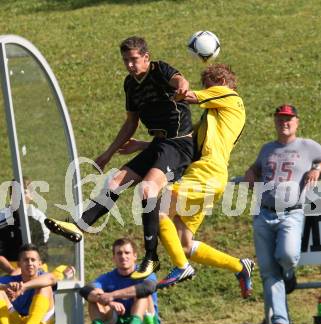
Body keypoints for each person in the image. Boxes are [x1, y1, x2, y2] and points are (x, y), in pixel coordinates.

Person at [45, 36, 194, 279]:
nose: (130, 65)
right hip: (158, 144)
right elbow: (131, 122)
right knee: (115, 182)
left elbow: (179, 79)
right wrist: (108, 153)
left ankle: (151, 256)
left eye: (134, 59)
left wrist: (182, 87)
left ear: (146, 57)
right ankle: (79, 224)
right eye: (126, 60)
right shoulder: (130, 84)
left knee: (147, 189)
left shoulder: (159, 70)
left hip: (178, 144)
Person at [120, 64, 254, 297]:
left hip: (207, 172)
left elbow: (190, 96)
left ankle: (182, 268)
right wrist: (141, 146)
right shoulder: (213, 117)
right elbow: (185, 143)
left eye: (208, 86)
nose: (207, 90)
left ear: (221, 82)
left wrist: (171, 92)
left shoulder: (230, 97)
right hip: (203, 174)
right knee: (183, 243)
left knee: (159, 210)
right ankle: (240, 266)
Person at [244, 104, 321, 324]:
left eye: (288, 119)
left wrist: (317, 168)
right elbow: (257, 168)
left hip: (292, 213)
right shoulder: (267, 148)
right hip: (264, 213)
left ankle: (289, 275)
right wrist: (250, 172)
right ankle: (280, 319)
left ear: (296, 122)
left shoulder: (307, 146)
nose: (284, 123)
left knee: (287, 256)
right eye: (280, 119)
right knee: (268, 270)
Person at [79, 237, 159, 324]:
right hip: (118, 323)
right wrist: (107, 301)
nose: (123, 256)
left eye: (127, 253)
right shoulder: (108, 277)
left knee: (142, 294)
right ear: (113, 258)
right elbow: (85, 290)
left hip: (145, 323)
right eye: (119, 253)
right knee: (94, 295)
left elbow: (148, 287)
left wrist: (112, 295)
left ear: (135, 256)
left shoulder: (144, 272)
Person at [0, 243, 57, 324]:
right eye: (26, 260)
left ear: (40, 264)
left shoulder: (45, 276)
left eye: (33, 260)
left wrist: (24, 287)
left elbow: (51, 279)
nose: (30, 263)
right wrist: (5, 287)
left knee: (45, 287)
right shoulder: (11, 281)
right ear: (19, 264)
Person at [0, 177, 50, 274]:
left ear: (31, 196)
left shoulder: (39, 217)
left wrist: (32, 267)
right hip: (9, 266)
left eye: (25, 192)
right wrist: (13, 271)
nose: (20, 196)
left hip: (35, 266)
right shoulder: (2, 217)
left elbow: (42, 248)